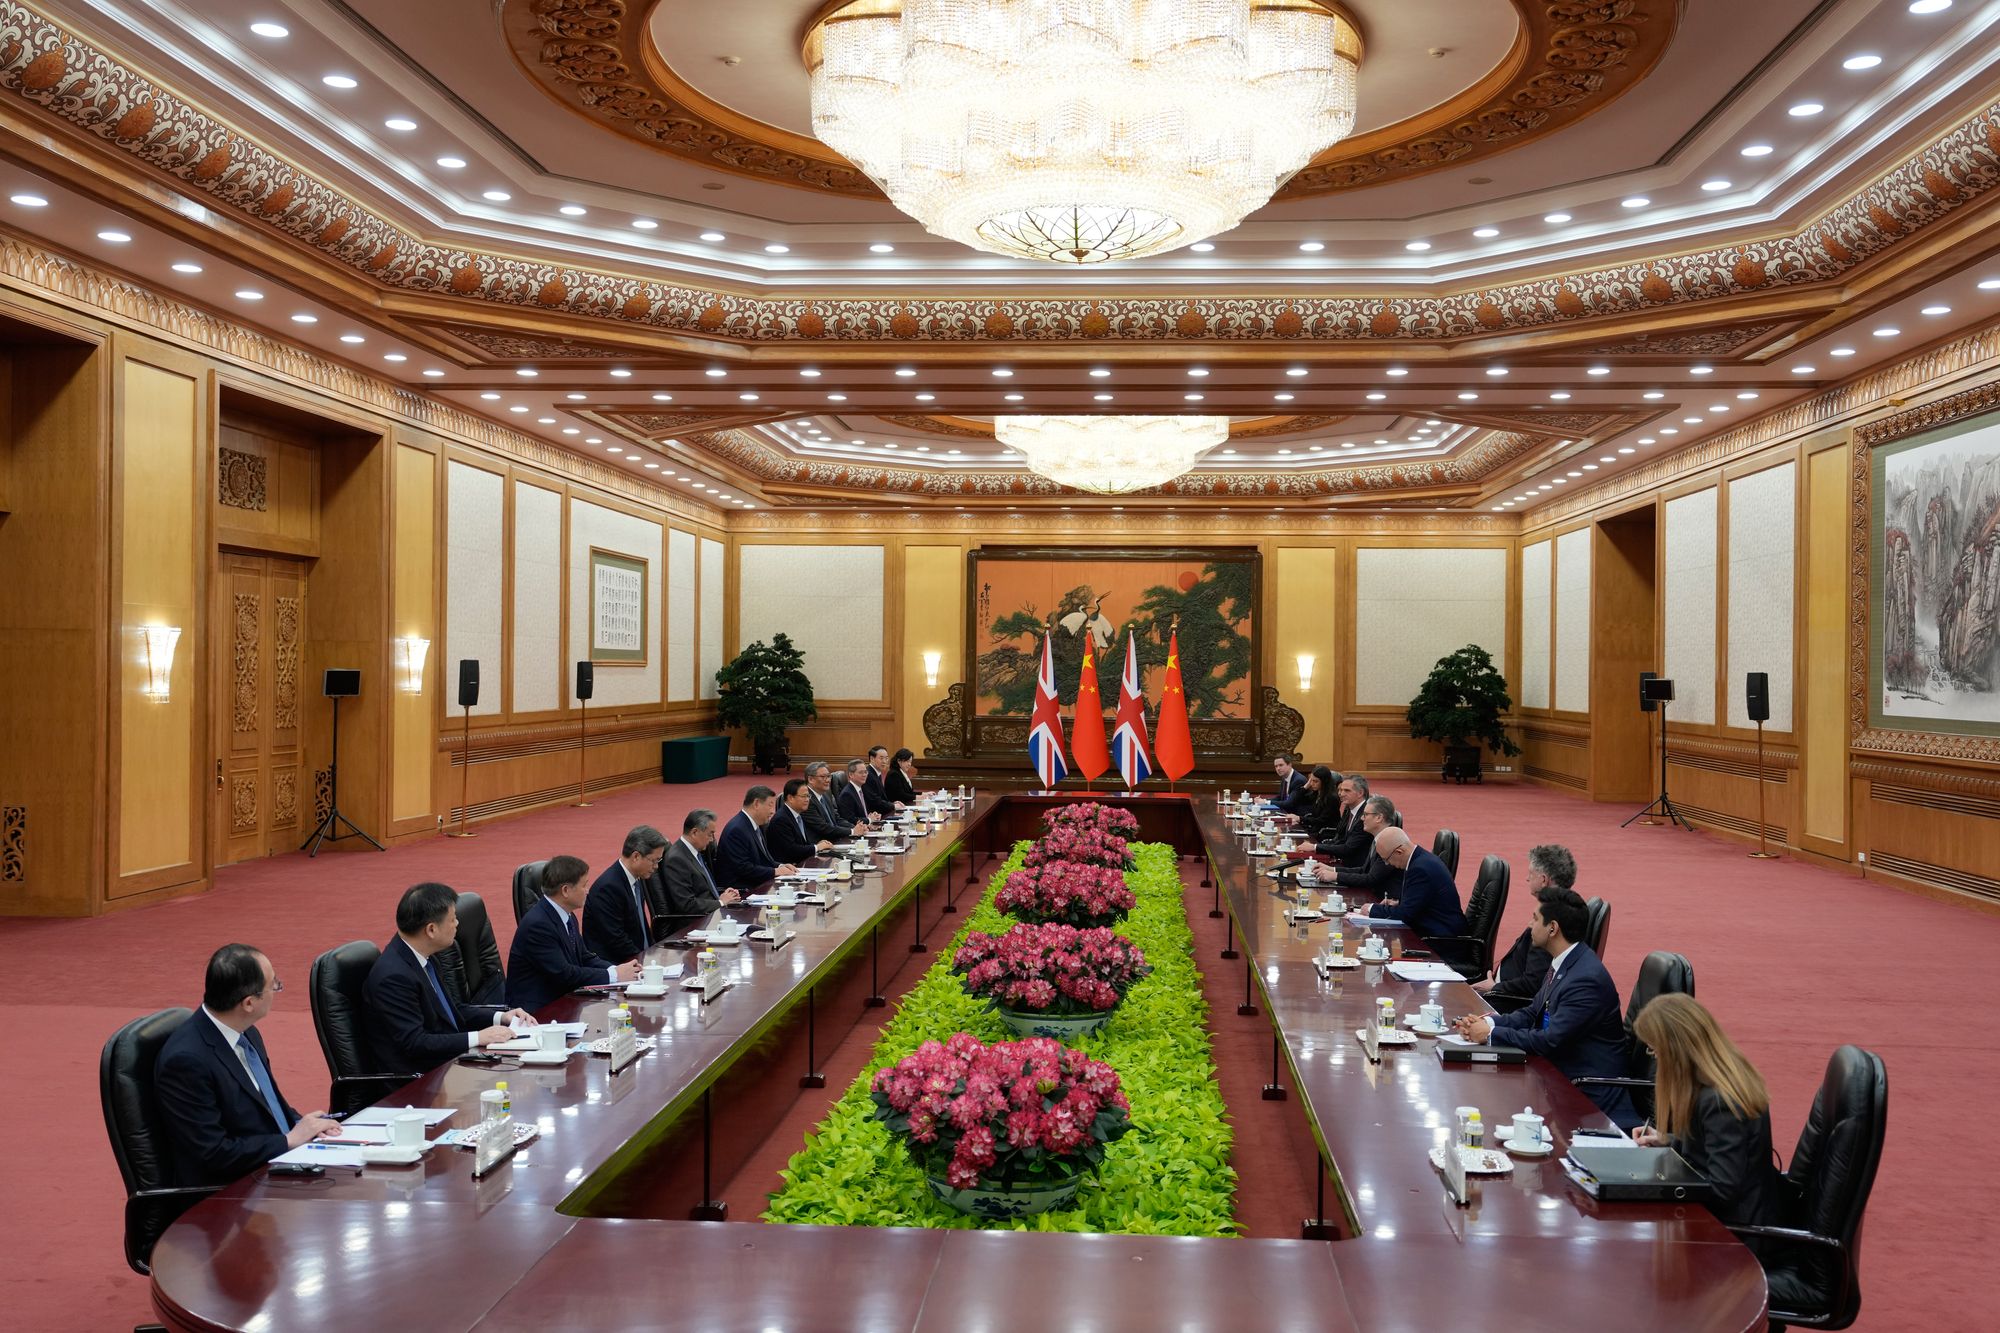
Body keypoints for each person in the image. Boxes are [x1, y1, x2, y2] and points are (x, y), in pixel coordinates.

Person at [153, 943, 341, 1185]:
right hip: (231, 1191)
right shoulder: (186, 1061)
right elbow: (213, 1153)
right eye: (274, 984)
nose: (277, 989)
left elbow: (267, 1105)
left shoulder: (246, 1033)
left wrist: (304, 1125)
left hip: (270, 1163)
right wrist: (288, 1141)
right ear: (249, 1003)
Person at [1452, 886, 1638, 1128]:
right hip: (1557, 1078)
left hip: (1588, 1098)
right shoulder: (1566, 962)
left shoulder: (1585, 978)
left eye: (1535, 918)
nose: (1530, 925)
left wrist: (1490, 1035)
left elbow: (1550, 1040)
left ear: (1553, 928)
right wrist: (1487, 1023)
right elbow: (1532, 1013)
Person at [1631, 994, 1783, 1236]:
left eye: (1654, 1049)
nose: (1655, 1057)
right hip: (1724, 1220)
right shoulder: (1719, 1079)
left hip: (1734, 1235)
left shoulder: (1719, 1102)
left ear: (1676, 1049)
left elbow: (1722, 1190)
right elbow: (1712, 1150)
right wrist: (1669, 1140)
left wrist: (1653, 1186)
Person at [364, 882, 535, 1074]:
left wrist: (501, 1017)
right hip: (418, 1082)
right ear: (431, 930)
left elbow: (451, 1011)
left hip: (447, 1065)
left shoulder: (424, 957)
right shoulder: (393, 977)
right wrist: (478, 1037)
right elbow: (415, 1042)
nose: (457, 924)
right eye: (452, 919)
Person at [506, 856, 640, 1014]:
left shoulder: (567, 915)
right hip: (537, 1011)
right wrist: (614, 975)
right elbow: (564, 974)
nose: (588, 891)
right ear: (565, 891)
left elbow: (584, 957)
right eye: (584, 885)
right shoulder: (538, 925)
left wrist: (616, 969)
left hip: (563, 1000)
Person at [1472, 844, 1568, 1009]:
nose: (1527, 879)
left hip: (1508, 1003)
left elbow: (1533, 983)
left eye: (1531, 874)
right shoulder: (1557, 908)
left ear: (1544, 880)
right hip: (1501, 992)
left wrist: (1494, 988)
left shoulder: (1550, 923)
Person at [582, 826, 668, 964]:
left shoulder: (636, 878)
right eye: (654, 860)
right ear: (636, 856)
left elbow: (641, 926)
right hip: (616, 966)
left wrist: (654, 953)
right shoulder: (608, 887)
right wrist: (643, 962)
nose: (656, 866)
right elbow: (616, 939)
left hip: (637, 958)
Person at [1361, 827, 1467, 937]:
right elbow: (1422, 900)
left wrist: (1372, 908)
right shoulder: (1420, 859)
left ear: (1399, 852)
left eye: (1386, 859)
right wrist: (1400, 903)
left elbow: (1405, 914)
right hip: (1432, 930)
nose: (1387, 863)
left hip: (1440, 939)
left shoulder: (1420, 869)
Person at [655, 809, 741, 917]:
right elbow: (686, 904)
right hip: (696, 922)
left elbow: (702, 890)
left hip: (710, 914)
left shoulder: (695, 852)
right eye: (710, 834)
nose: (711, 840)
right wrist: (720, 902)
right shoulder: (677, 859)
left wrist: (724, 896)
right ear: (695, 832)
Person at [714, 785, 799, 889]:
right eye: (770, 805)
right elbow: (743, 868)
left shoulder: (756, 825)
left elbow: (762, 860)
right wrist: (775, 871)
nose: (773, 811)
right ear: (756, 804)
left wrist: (780, 866)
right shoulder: (737, 830)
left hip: (755, 882)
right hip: (741, 890)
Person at [1330, 795, 1402, 896]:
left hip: (1383, 900)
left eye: (1365, 814)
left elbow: (1371, 879)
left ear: (1379, 818)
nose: (1362, 818)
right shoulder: (1377, 838)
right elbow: (1364, 870)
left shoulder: (1390, 843)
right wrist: (1332, 870)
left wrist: (1336, 876)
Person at [768, 777, 832, 863]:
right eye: (803, 796)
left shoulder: (797, 814)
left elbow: (802, 844)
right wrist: (817, 847)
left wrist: (817, 844)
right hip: (789, 867)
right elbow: (792, 850)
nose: (807, 800)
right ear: (790, 798)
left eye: (808, 796)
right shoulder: (781, 819)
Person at [1315, 774, 1372, 867]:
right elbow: (1341, 839)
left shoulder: (1366, 815)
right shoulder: (1349, 808)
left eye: (1347, 790)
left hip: (1357, 867)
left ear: (1360, 793)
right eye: (1340, 790)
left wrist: (1316, 847)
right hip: (1345, 859)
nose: (1341, 794)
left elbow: (1348, 848)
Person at [802, 760, 865, 842]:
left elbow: (836, 819)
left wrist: (856, 827)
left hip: (834, 840)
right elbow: (823, 828)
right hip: (820, 845)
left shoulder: (825, 794)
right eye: (823, 777)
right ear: (810, 779)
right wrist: (852, 831)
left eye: (828, 776)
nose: (828, 780)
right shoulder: (806, 800)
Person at [1295, 766, 1345, 839]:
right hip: (1315, 829)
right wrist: (1306, 786)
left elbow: (1322, 821)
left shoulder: (1332, 798)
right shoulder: (1316, 793)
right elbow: (1296, 800)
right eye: (1311, 780)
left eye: (1315, 781)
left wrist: (1300, 818)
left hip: (1325, 833)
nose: (1312, 784)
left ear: (1324, 781)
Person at [837, 759, 882, 827]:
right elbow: (850, 820)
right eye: (861, 772)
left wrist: (873, 815)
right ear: (851, 775)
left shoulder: (861, 789)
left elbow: (862, 813)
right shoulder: (847, 794)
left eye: (865, 772)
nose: (864, 775)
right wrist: (869, 819)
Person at [863, 745, 903, 816]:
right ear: (872, 759)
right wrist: (892, 806)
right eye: (881, 758)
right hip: (873, 816)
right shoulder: (868, 775)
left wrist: (892, 803)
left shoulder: (876, 773)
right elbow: (874, 800)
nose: (884, 761)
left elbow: (880, 797)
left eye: (886, 758)